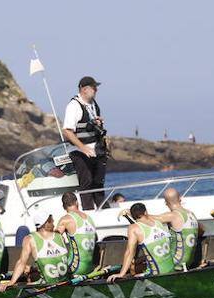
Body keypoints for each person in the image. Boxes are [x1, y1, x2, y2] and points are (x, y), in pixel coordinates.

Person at [62, 76, 108, 209]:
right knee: (86, 182)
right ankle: (88, 211)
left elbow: (90, 125)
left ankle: (103, 209)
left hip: (96, 149)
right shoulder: (74, 106)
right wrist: (83, 148)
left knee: (98, 182)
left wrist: (98, 123)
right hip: (79, 151)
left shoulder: (94, 105)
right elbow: (67, 131)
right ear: (84, 89)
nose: (96, 90)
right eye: (94, 88)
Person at [0, 214, 70, 290]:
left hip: (66, 284)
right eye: (51, 221)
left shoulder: (59, 236)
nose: (53, 223)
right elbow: (22, 262)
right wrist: (12, 282)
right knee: (23, 283)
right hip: (46, 286)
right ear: (46, 222)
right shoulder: (30, 239)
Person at [108, 202, 177, 281]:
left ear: (133, 215)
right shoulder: (158, 222)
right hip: (171, 269)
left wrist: (121, 274)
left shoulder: (134, 228)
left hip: (156, 274)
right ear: (145, 212)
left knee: (134, 270)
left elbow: (130, 252)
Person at [56, 191, 99, 276]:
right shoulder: (89, 218)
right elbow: (96, 238)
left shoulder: (65, 219)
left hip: (75, 268)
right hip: (90, 267)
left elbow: (52, 239)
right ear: (77, 202)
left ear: (64, 206)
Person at [159, 188, 201, 272]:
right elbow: (202, 230)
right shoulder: (191, 214)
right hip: (189, 262)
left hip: (175, 263)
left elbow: (148, 221)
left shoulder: (172, 215)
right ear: (180, 198)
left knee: (139, 264)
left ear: (166, 203)